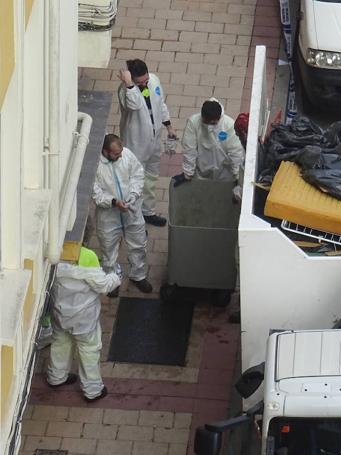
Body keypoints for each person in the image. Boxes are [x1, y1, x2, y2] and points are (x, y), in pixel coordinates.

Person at [46, 247, 120, 402]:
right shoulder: (86, 255)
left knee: (61, 343)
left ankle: (56, 377)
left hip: (60, 314)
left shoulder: (51, 251)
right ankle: (92, 391)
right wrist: (116, 276)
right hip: (84, 321)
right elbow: (104, 285)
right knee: (89, 350)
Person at [117, 58, 176, 227]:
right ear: (131, 78)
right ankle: (134, 218)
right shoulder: (125, 90)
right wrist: (129, 84)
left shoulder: (154, 80)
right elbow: (134, 105)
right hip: (136, 143)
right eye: (139, 82)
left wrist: (169, 126)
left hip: (154, 139)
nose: (144, 84)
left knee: (150, 178)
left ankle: (148, 212)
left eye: (146, 80)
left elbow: (160, 105)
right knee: (135, 180)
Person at [92, 134, 153, 295]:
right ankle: (113, 279)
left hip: (132, 211)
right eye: (115, 154)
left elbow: (138, 175)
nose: (119, 156)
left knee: (138, 245)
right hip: (108, 217)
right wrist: (114, 202)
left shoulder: (126, 154)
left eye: (120, 153)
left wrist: (133, 195)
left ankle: (138, 276)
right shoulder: (95, 165)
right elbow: (96, 194)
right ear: (105, 151)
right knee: (108, 249)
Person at [174, 98, 245, 199]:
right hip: (201, 172)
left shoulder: (229, 126)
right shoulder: (194, 122)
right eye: (207, 123)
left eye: (213, 123)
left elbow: (236, 153)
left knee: (221, 200)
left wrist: (238, 178)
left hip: (224, 174)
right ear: (202, 117)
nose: (210, 126)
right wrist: (188, 172)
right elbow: (189, 149)